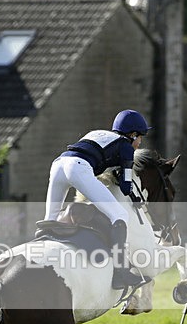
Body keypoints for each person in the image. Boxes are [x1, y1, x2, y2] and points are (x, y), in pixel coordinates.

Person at [44, 109, 151, 289]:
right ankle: (120, 272)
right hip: (78, 168)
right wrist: (133, 195)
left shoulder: (98, 134)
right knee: (119, 215)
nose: (139, 143)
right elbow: (125, 186)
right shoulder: (126, 146)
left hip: (58, 165)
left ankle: (40, 254)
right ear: (132, 135)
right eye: (140, 137)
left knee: (50, 219)